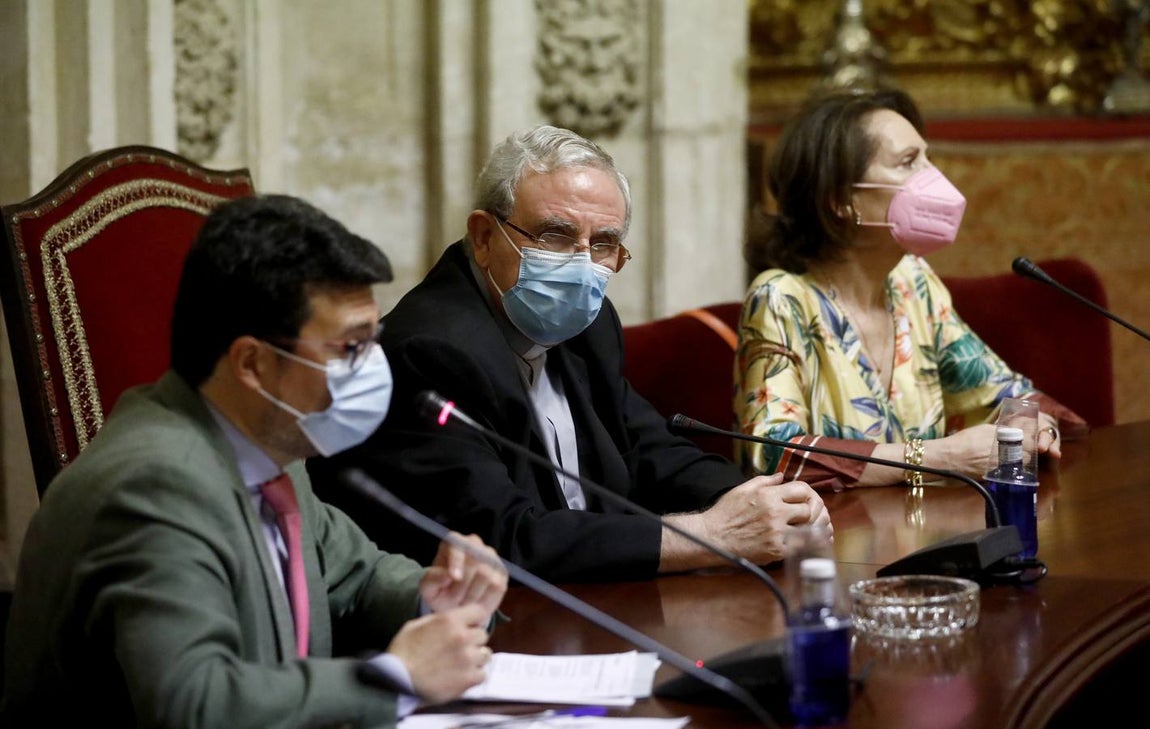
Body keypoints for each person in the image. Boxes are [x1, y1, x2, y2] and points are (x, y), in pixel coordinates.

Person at [0, 195, 508, 728]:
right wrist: (394, 677)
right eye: (349, 348)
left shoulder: (272, 447)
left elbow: (356, 579)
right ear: (253, 363)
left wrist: (437, 598)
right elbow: (195, 702)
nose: (372, 368)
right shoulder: (155, 484)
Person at [309, 125, 831, 583]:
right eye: (556, 235)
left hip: (598, 600)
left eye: (603, 242)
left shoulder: (589, 322)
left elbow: (651, 450)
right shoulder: (430, 351)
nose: (582, 265)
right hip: (495, 629)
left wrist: (770, 502)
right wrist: (707, 535)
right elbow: (504, 540)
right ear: (484, 236)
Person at [735, 89, 1085, 490]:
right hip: (832, 544)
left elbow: (1008, 395)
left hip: (933, 535)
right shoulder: (780, 298)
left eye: (927, 158)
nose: (934, 178)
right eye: (908, 162)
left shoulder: (913, 284)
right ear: (842, 201)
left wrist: (1029, 424)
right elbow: (774, 456)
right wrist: (937, 458)